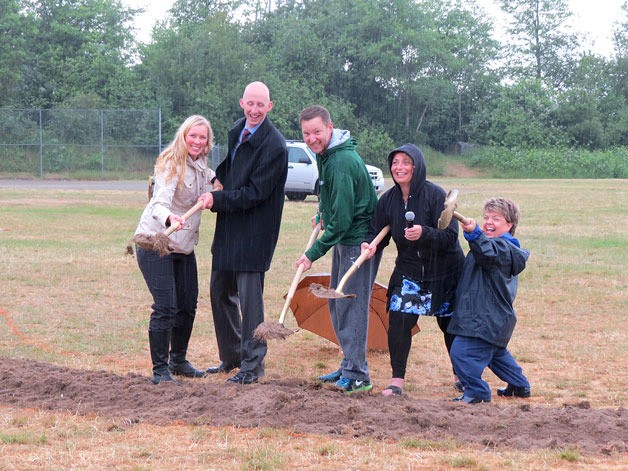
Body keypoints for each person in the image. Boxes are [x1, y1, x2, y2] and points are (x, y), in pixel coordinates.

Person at [201, 81, 288, 385]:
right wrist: (216, 181)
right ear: (242, 103)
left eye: (260, 105)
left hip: (255, 232)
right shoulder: (239, 128)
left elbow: (255, 192)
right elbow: (232, 169)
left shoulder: (274, 145)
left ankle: (252, 366)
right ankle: (232, 356)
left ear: (269, 107)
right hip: (229, 227)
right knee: (220, 292)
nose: (254, 110)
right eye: (249, 104)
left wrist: (217, 200)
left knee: (250, 303)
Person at [361, 144, 465, 396]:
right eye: (395, 163)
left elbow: (450, 237)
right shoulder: (388, 200)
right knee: (398, 319)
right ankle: (397, 380)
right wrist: (370, 242)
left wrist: (424, 232)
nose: (399, 167)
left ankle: (461, 375)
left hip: (445, 272)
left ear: (416, 167)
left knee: (450, 325)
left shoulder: (435, 195)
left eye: (405, 162)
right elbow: (378, 230)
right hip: (409, 272)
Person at [295, 105, 380, 395]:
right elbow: (333, 199)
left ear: (330, 128)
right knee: (337, 303)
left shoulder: (340, 160)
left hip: (358, 242)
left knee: (351, 306)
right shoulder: (327, 155)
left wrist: (311, 254)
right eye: (306, 133)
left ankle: (358, 376)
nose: (311, 138)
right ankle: (348, 365)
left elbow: (343, 221)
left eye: (317, 132)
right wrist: (323, 212)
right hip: (345, 238)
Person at [134, 115, 221, 385]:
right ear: (183, 137)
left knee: (187, 305)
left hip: (182, 247)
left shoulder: (201, 165)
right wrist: (171, 218)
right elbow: (159, 202)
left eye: (202, 137)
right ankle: (160, 370)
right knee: (166, 307)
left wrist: (218, 189)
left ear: (208, 142)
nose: (197, 141)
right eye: (192, 136)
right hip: (156, 242)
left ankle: (178, 360)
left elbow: (213, 182)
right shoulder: (171, 163)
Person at [447, 197, 531, 403]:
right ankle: (520, 386)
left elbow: (488, 253)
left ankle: (477, 392)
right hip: (496, 319)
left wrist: (474, 233)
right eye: (486, 218)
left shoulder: (504, 249)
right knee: (495, 354)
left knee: (460, 353)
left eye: (496, 219)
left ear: (509, 225)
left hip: (485, 318)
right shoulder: (498, 245)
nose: (489, 223)